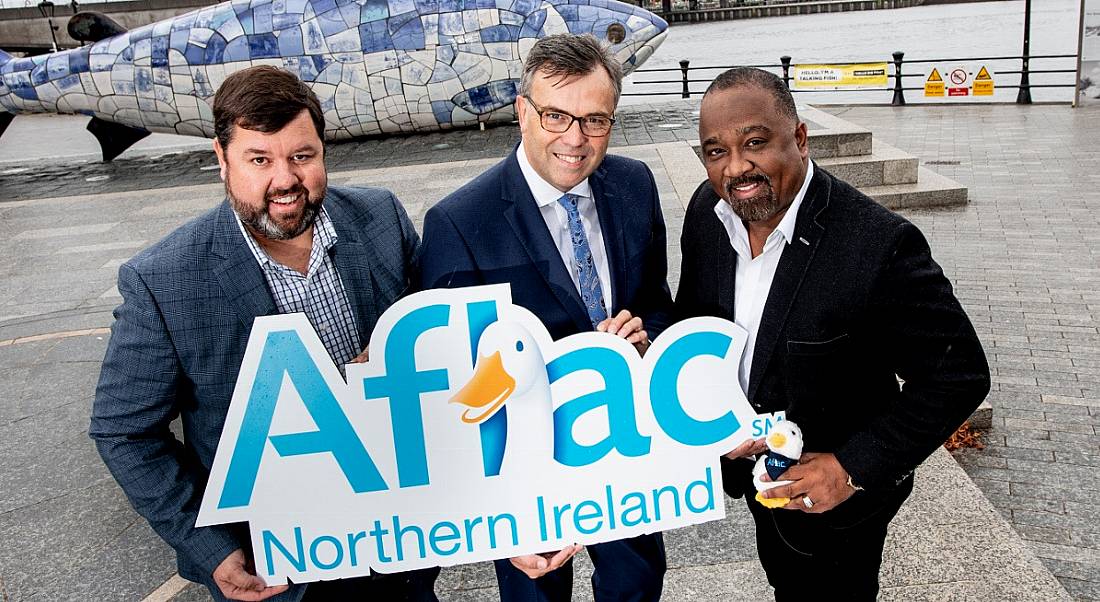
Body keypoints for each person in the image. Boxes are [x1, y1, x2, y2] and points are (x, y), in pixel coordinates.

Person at [89, 66, 435, 601]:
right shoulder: (165, 280)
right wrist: (211, 547)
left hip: (398, 550)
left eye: (302, 156)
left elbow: (441, 341)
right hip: (279, 571)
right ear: (221, 159)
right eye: (259, 159)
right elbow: (124, 432)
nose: (285, 180)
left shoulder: (381, 219)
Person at [675, 67, 991, 600]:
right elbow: (699, 323)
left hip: (839, 505)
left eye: (755, 143)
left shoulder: (878, 244)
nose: (737, 168)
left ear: (799, 138)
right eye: (715, 152)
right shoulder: (708, 215)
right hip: (758, 481)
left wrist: (850, 469)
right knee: (784, 577)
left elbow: (958, 375)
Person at [419, 33, 672, 602]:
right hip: (523, 471)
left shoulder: (635, 185)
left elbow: (656, 300)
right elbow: (451, 390)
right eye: (556, 115)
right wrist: (495, 519)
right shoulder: (458, 222)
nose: (575, 139)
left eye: (595, 120)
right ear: (522, 112)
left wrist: (644, 332)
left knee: (637, 584)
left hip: (625, 452)